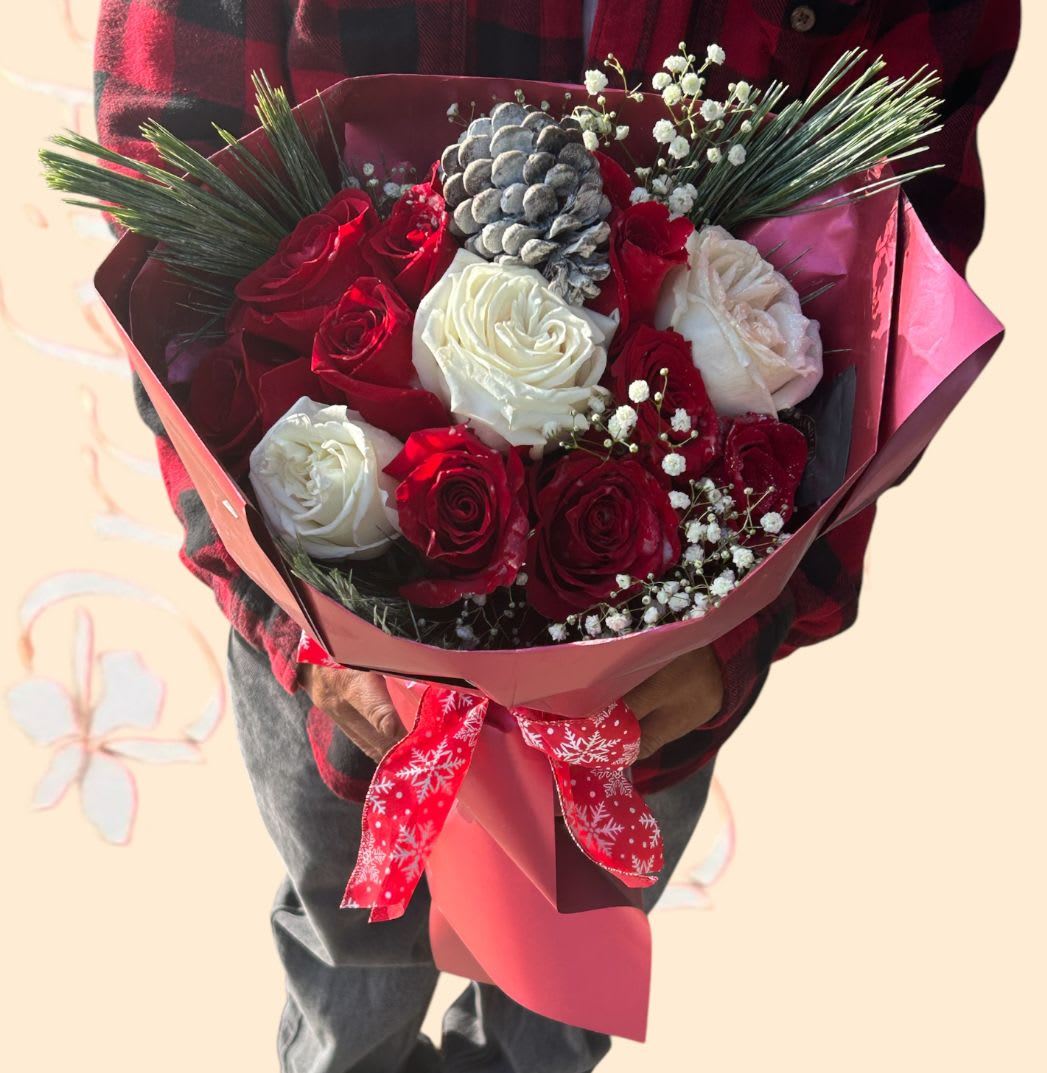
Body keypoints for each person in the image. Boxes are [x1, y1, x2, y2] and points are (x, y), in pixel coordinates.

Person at [94, 2, 1019, 1071]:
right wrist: (288, 615)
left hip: (657, 646)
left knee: (565, 978)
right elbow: (169, 183)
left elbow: (902, 248)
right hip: (330, 614)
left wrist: (737, 633)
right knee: (347, 925)